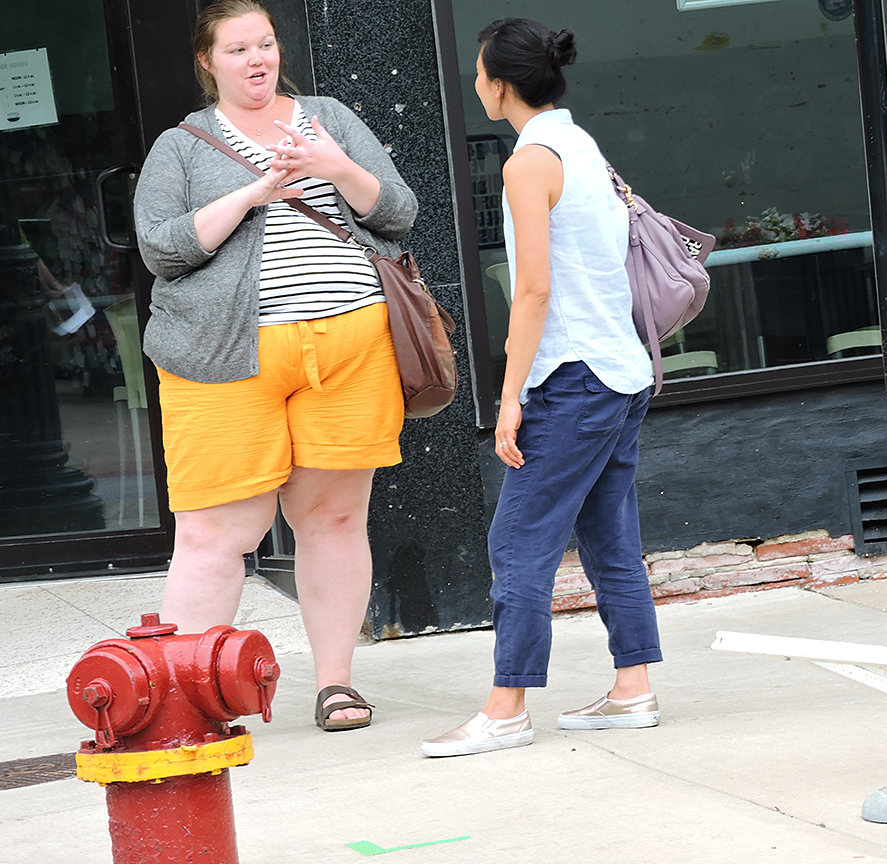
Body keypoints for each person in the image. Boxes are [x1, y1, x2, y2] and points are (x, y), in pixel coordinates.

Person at [133, 0, 417, 731]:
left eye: (264, 44)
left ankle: (335, 684)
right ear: (208, 62)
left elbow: (397, 212)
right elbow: (161, 248)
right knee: (213, 534)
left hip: (350, 345)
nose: (256, 59)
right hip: (223, 358)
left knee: (334, 518)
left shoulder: (328, 117)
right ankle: (186, 705)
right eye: (237, 49)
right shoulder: (181, 145)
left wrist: (333, 165)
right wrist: (255, 192)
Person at [422, 18, 662, 758]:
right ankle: (633, 688)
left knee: (517, 541)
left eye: (478, 73)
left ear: (500, 85)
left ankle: (507, 707)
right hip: (621, 371)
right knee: (609, 535)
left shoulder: (530, 163)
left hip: (575, 378)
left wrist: (509, 397)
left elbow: (531, 291)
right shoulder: (581, 144)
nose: (474, 83)